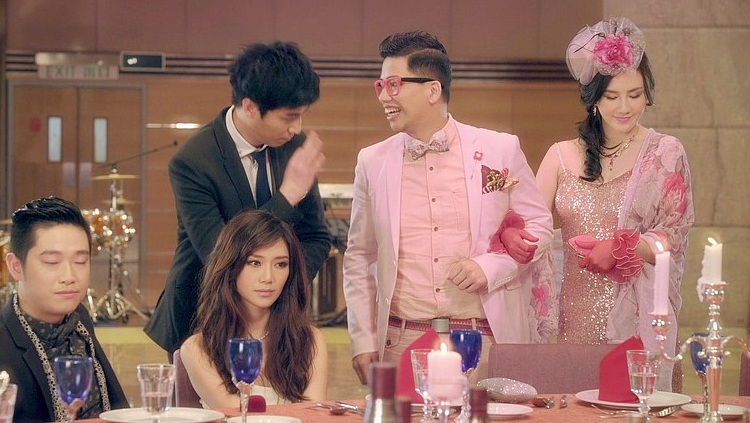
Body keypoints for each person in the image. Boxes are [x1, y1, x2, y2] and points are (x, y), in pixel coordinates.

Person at [343, 30, 554, 385]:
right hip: (400, 341)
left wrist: (489, 267)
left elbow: (540, 226)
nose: (383, 96)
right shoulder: (372, 161)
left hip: (483, 339)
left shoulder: (499, 150)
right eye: (380, 86)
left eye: (393, 85)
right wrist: (363, 340)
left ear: (432, 90)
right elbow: (359, 257)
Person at [502, 17, 694, 391]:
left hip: (639, 321)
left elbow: (674, 232)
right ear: (593, 100)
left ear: (647, 94)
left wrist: (624, 249)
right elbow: (529, 224)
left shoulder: (665, 153)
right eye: (612, 96)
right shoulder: (560, 156)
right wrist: (511, 233)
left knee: (635, 403)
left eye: (635, 95)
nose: (625, 107)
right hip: (575, 316)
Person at [144, 41, 333, 357]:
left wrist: (280, 286)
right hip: (203, 317)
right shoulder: (193, 160)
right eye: (289, 117)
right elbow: (220, 253)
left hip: (278, 322)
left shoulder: (294, 147)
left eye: (301, 116)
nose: (296, 128)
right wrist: (286, 196)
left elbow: (316, 238)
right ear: (250, 107)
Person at [0, 196, 128, 422]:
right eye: (51, 262)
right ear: (16, 267)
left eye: (80, 262)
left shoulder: (78, 319)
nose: (69, 276)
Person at [180, 210, 328, 407]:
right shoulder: (198, 348)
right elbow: (239, 413)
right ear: (230, 266)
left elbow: (313, 413)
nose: (268, 277)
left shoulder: (310, 340)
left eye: (281, 264)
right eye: (254, 262)